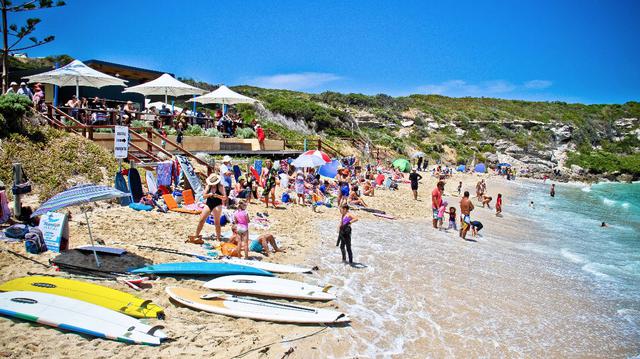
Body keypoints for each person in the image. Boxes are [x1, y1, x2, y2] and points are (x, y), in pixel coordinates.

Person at [191, 174, 226, 243]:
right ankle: (196, 235)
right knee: (201, 220)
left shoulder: (220, 187)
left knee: (217, 222)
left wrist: (218, 196)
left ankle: (218, 238)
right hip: (209, 203)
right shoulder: (208, 186)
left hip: (217, 204)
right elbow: (204, 196)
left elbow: (225, 198)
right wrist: (209, 195)